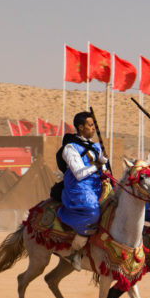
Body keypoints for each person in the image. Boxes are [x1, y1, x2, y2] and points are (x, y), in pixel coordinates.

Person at [56, 111, 109, 270]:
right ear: (80, 127)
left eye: (94, 125)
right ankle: (76, 250)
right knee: (92, 211)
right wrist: (97, 166)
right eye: (90, 125)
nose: (93, 128)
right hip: (79, 189)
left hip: (98, 185)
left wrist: (105, 171)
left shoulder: (96, 146)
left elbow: (103, 169)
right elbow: (79, 174)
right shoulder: (70, 148)